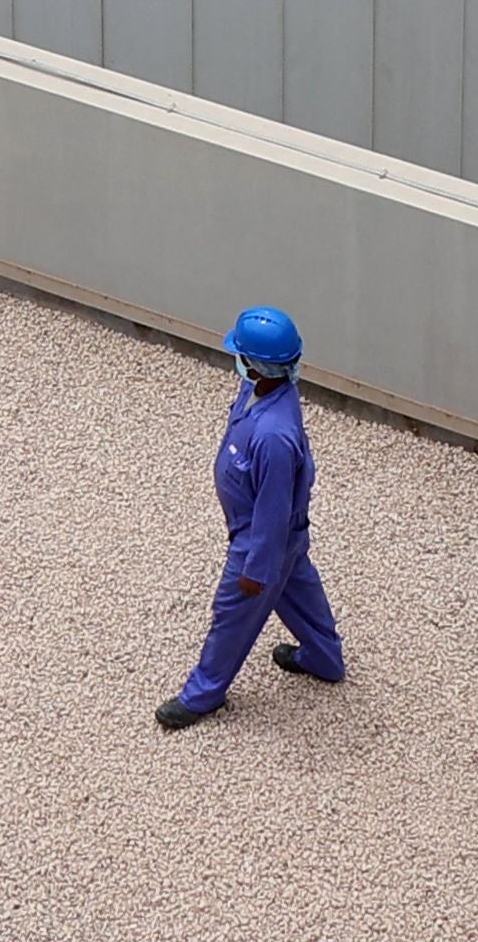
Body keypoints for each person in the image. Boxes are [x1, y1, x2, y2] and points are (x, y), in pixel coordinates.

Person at [155, 304, 347, 730]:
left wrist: (256, 570)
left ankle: (202, 695)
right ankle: (324, 658)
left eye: (241, 356)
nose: (236, 362)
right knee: (299, 591)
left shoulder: (274, 436)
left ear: (257, 367)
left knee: (233, 616)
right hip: (282, 541)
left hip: (260, 543)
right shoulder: (263, 391)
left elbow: (273, 512)